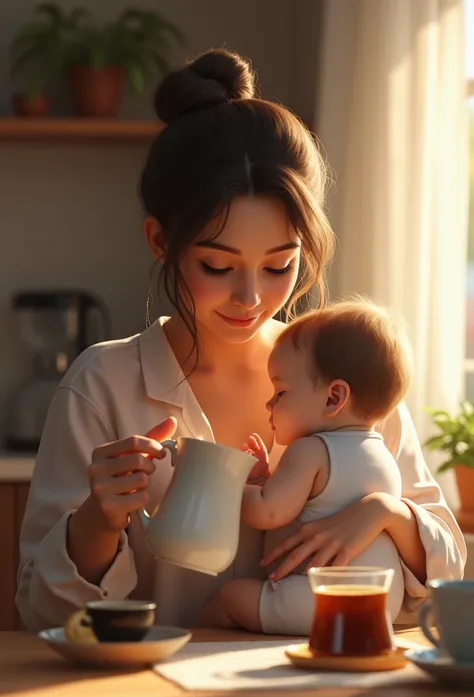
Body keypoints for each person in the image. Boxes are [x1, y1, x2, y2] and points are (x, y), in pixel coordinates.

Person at [16, 49, 466, 632]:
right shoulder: (103, 388)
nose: (250, 298)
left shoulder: (348, 375)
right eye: (218, 265)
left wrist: (387, 514)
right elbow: (38, 615)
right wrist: (98, 524)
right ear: (160, 241)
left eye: (279, 266)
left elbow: (448, 579)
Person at [199, 299, 412, 634]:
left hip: (320, 598)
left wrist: (225, 482)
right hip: (379, 602)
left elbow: (270, 513)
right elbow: (315, 501)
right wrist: (262, 480)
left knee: (230, 598)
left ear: (333, 398)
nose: (269, 403)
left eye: (280, 392)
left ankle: (193, 649)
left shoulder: (310, 451)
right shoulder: (380, 455)